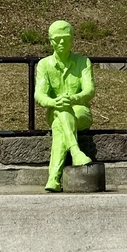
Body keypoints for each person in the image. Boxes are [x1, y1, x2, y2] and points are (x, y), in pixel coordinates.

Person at [34, 20, 95, 192]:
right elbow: (39, 94)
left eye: (65, 38)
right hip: (54, 110)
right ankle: (76, 152)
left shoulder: (83, 62)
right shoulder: (44, 65)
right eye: (57, 39)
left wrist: (73, 98)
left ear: (72, 39)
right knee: (62, 112)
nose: (61, 42)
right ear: (51, 41)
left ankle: (54, 178)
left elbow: (90, 90)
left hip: (81, 112)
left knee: (60, 124)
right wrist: (53, 102)